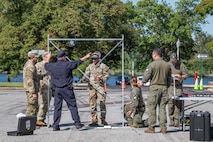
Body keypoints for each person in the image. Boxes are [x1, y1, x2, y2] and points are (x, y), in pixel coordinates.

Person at [44, 50, 91, 131]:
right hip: (67, 89)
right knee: (72, 106)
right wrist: (86, 57)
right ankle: (77, 124)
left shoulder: (52, 66)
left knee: (57, 107)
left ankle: (55, 125)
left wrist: (48, 58)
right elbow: (78, 62)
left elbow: (46, 65)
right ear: (63, 57)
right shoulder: (68, 65)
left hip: (57, 89)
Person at [141, 48, 171, 134]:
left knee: (152, 108)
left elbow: (146, 76)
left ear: (155, 54)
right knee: (162, 108)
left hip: (154, 88)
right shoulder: (167, 65)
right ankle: (163, 127)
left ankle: (151, 127)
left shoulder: (152, 65)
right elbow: (169, 79)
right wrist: (167, 86)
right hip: (164, 88)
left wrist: (143, 82)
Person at [82, 51, 110, 126]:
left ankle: (103, 120)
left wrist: (101, 79)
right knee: (92, 104)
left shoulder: (103, 66)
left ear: (99, 58)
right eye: (92, 59)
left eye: (95, 58)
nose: (93, 60)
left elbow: (107, 76)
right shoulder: (90, 67)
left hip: (100, 87)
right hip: (92, 88)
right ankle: (94, 120)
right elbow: (86, 75)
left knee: (102, 103)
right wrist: (84, 77)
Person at [168, 52, 188, 127]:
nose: (173, 62)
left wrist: (181, 76)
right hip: (170, 86)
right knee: (170, 104)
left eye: (174, 60)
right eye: (172, 61)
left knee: (177, 104)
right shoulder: (168, 65)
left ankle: (177, 121)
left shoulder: (181, 65)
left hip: (178, 86)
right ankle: (171, 120)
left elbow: (186, 75)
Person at [35, 52, 52, 127]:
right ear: (44, 57)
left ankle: (42, 119)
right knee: (43, 104)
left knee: (47, 104)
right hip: (43, 86)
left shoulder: (50, 65)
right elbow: (37, 77)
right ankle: (39, 119)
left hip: (49, 87)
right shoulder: (39, 65)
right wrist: (39, 87)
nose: (50, 58)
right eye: (49, 56)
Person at [23, 51, 40, 118]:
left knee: (34, 106)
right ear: (32, 57)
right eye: (36, 57)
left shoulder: (30, 64)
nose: (37, 59)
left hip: (32, 89)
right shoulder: (30, 66)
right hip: (31, 90)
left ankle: (32, 122)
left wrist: (43, 75)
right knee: (31, 107)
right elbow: (29, 80)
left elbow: (35, 76)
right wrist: (33, 92)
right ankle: (28, 123)